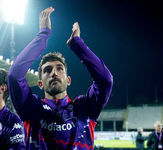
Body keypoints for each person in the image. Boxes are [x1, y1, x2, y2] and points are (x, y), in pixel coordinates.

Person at [7, 7, 113, 150]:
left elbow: (105, 80)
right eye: (47, 70)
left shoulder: (85, 107)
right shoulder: (31, 107)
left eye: (59, 68)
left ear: (68, 80)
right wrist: (43, 35)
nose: (54, 73)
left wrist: (77, 44)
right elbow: (14, 75)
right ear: (40, 83)